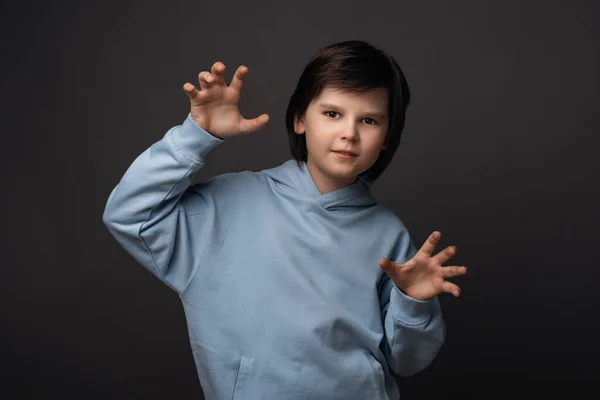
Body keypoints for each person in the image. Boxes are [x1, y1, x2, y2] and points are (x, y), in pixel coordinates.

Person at [102, 40, 467, 399]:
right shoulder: (227, 206)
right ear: (299, 118)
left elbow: (407, 360)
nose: (349, 133)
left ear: (387, 137)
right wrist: (196, 137)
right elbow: (130, 215)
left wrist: (412, 302)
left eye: (369, 120)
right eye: (332, 113)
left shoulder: (390, 236)